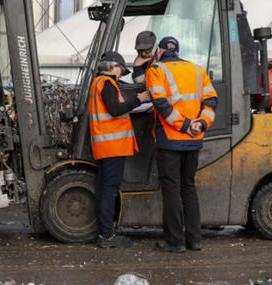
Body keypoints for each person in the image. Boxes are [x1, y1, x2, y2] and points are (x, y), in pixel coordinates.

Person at [145, 37, 218, 253]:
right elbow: (211, 100)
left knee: (171, 189)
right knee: (188, 187)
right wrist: (201, 123)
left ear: (159, 51)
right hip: (194, 141)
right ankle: (195, 239)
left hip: (171, 139)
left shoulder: (156, 70)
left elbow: (160, 103)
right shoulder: (197, 70)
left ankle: (175, 241)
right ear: (177, 51)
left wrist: (185, 125)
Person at [89, 51, 150, 248]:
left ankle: (105, 233)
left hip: (106, 145)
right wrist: (140, 99)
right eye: (120, 69)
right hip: (112, 146)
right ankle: (107, 236)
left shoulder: (99, 83)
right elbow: (115, 109)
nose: (121, 73)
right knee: (109, 190)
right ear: (113, 67)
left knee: (105, 189)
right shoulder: (106, 84)